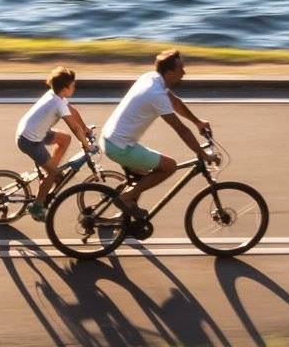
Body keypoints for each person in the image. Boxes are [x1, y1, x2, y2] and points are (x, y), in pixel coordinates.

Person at [101, 48, 215, 220]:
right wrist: (202, 154)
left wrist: (197, 121)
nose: (184, 73)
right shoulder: (155, 94)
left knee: (142, 174)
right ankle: (125, 199)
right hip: (120, 147)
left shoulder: (151, 78)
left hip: (112, 139)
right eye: (180, 69)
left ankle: (124, 214)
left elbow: (175, 102)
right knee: (169, 166)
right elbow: (181, 130)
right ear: (169, 72)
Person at [15, 66, 94, 221]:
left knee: (65, 139)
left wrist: (85, 129)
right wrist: (86, 144)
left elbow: (74, 113)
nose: (74, 87)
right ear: (65, 89)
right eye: (73, 85)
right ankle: (36, 207)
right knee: (53, 172)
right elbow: (74, 127)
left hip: (35, 132)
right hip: (29, 141)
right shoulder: (57, 104)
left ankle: (51, 172)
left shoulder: (56, 95)